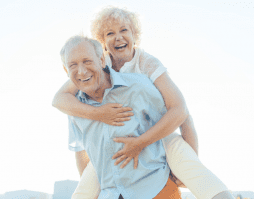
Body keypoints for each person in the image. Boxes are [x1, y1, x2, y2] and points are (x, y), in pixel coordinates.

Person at [53, 6, 235, 199]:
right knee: (85, 189)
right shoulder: (94, 65)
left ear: (134, 35)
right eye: (110, 33)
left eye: (124, 30)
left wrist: (172, 162)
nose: (118, 37)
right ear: (102, 42)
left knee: (193, 169)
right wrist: (99, 114)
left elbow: (181, 112)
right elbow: (59, 99)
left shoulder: (146, 63)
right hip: (115, 142)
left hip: (157, 132)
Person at [62, 35, 181, 199]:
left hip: (155, 190)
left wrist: (141, 143)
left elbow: (175, 116)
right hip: (110, 194)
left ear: (102, 61)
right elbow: (82, 152)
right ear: (65, 70)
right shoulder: (74, 107)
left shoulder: (138, 86)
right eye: (73, 65)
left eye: (87, 61)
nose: (81, 71)